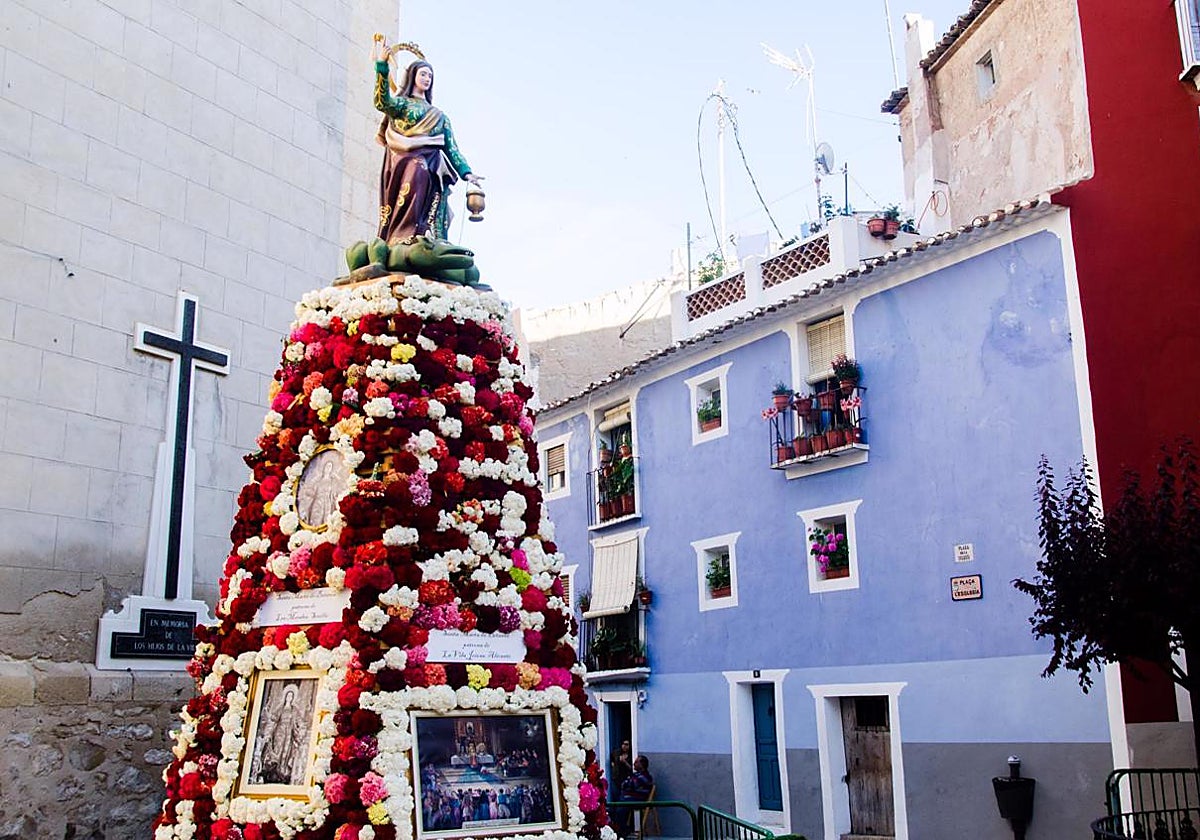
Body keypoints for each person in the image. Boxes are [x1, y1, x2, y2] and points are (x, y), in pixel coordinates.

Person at [370, 36, 483, 245]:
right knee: (417, 169)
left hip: (431, 167)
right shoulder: (402, 105)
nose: (427, 78)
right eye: (423, 74)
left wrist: (467, 173)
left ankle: (421, 233)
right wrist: (382, 67)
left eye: (430, 75)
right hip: (403, 163)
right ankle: (402, 235)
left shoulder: (439, 116)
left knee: (424, 173)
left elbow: (452, 149)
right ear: (413, 76)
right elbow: (381, 102)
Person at [614, 754, 653, 838]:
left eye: (636, 762)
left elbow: (630, 784)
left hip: (638, 800)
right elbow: (623, 784)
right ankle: (621, 830)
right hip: (629, 798)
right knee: (615, 807)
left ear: (641, 765)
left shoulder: (645, 776)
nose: (634, 764)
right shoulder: (635, 775)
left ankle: (624, 831)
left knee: (620, 809)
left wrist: (628, 782)